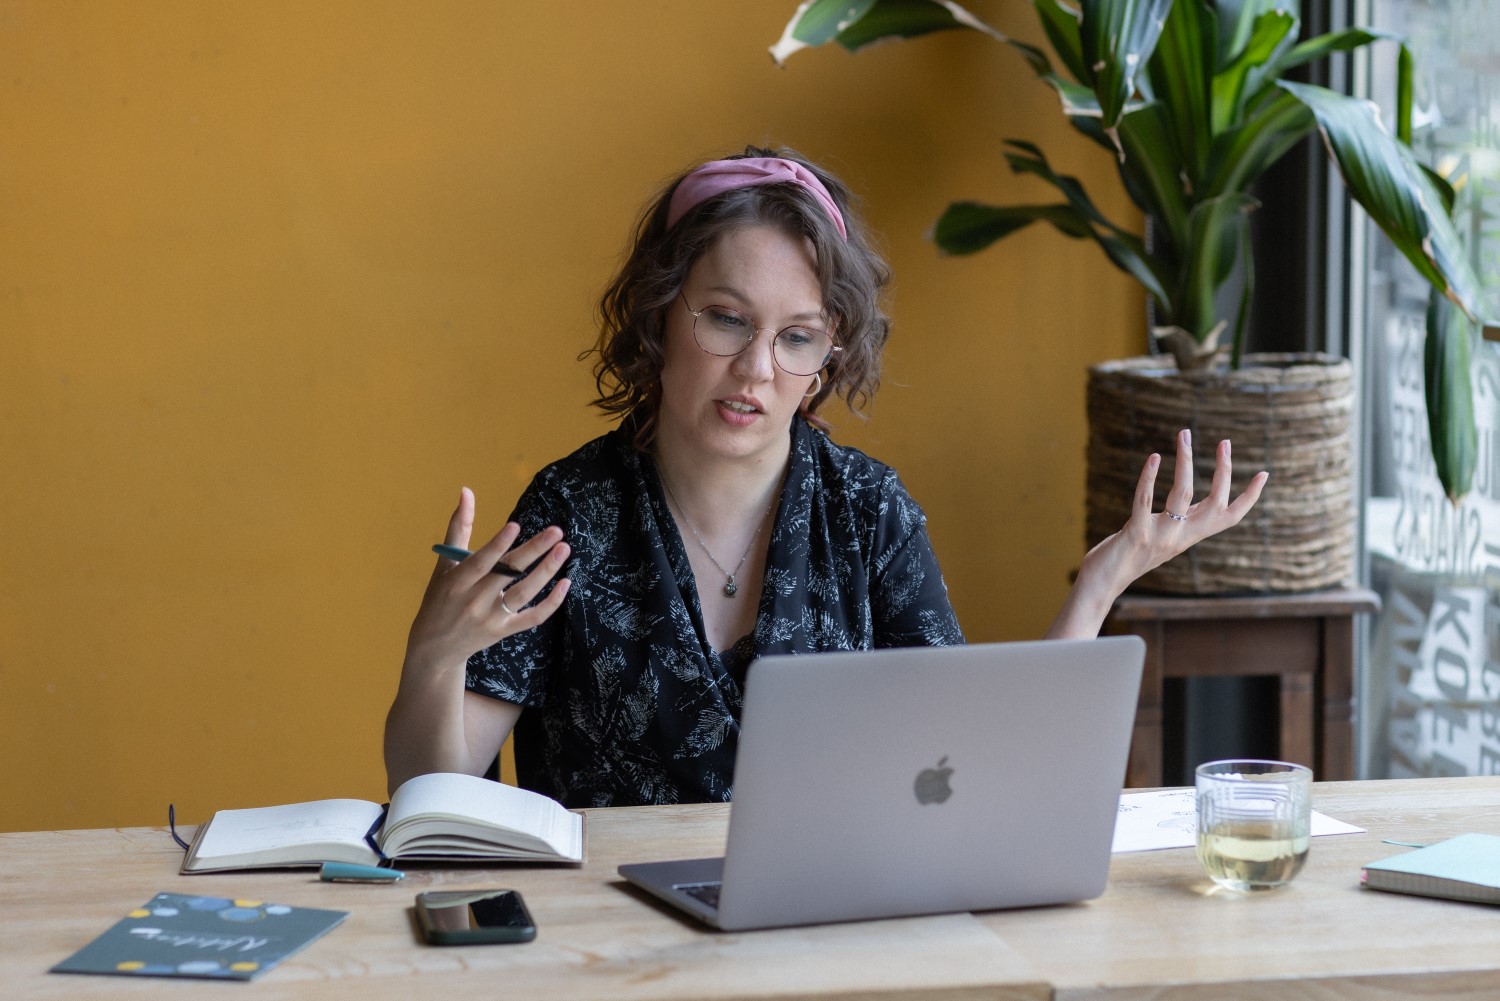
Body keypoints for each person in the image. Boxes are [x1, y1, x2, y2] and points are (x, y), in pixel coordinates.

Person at [383, 146, 1267, 808]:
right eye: (726, 320)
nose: (757, 369)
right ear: (660, 314)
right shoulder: (570, 510)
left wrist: (1101, 580)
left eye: (798, 336)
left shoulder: (868, 510)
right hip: (607, 953)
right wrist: (436, 652)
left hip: (820, 937)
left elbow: (972, 761)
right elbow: (432, 786)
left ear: (828, 353)